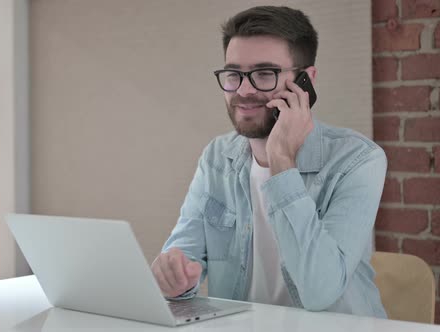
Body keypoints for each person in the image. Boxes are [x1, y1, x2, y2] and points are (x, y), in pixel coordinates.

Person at [151, 6, 387, 318]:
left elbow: (319, 292)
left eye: (265, 74)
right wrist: (173, 276)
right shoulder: (217, 158)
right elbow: (183, 253)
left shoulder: (357, 160)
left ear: (306, 80)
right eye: (233, 74)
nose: (244, 90)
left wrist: (281, 160)